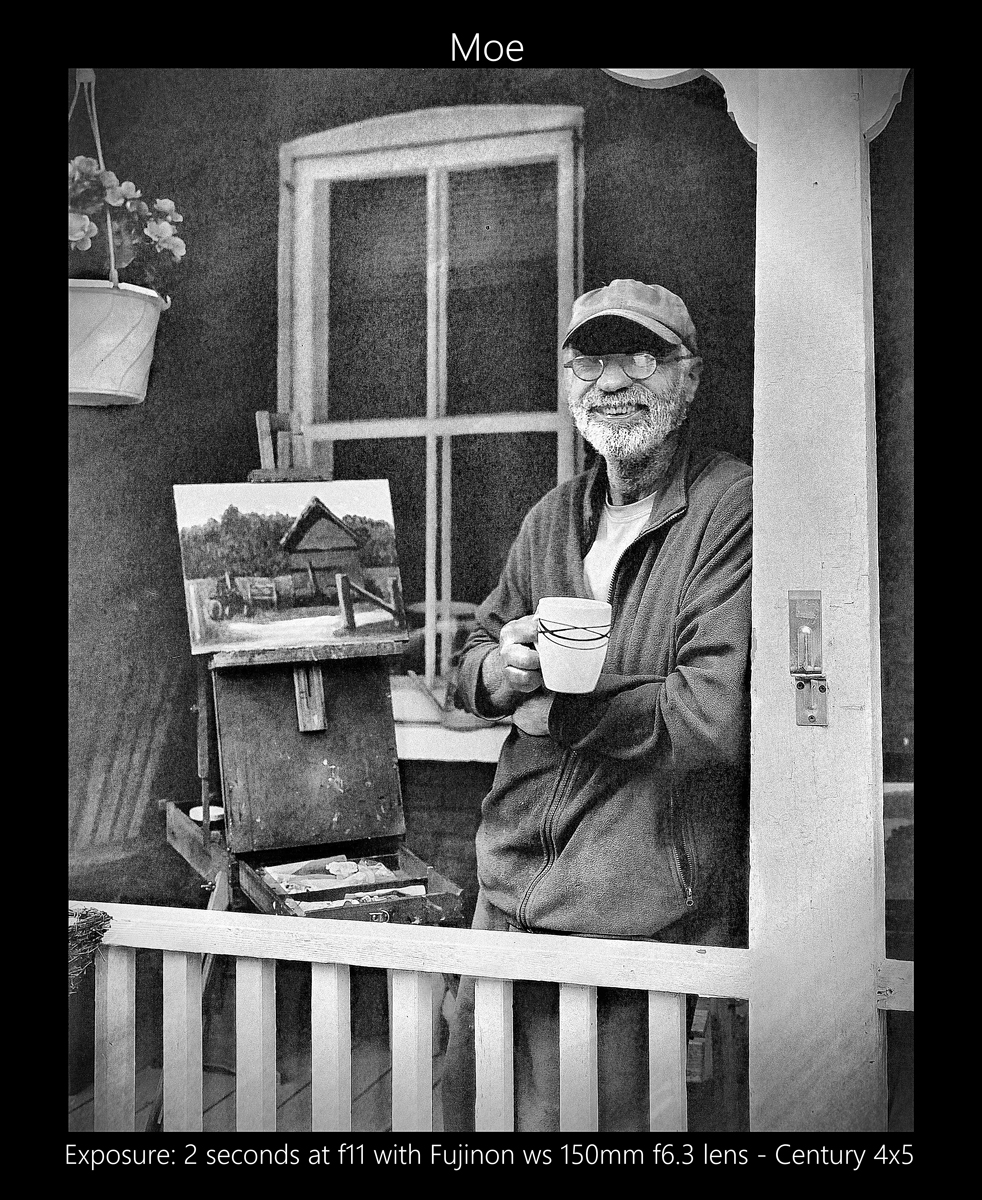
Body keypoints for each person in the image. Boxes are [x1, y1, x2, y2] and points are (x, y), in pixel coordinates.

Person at [441, 279, 752, 1132]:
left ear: (688, 380)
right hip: (504, 897)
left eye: (641, 357)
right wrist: (500, 676)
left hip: (637, 910)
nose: (612, 381)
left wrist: (559, 713)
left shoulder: (733, 508)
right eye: (590, 360)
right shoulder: (554, 517)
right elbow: (469, 661)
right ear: (568, 382)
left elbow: (707, 718)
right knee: (472, 1122)